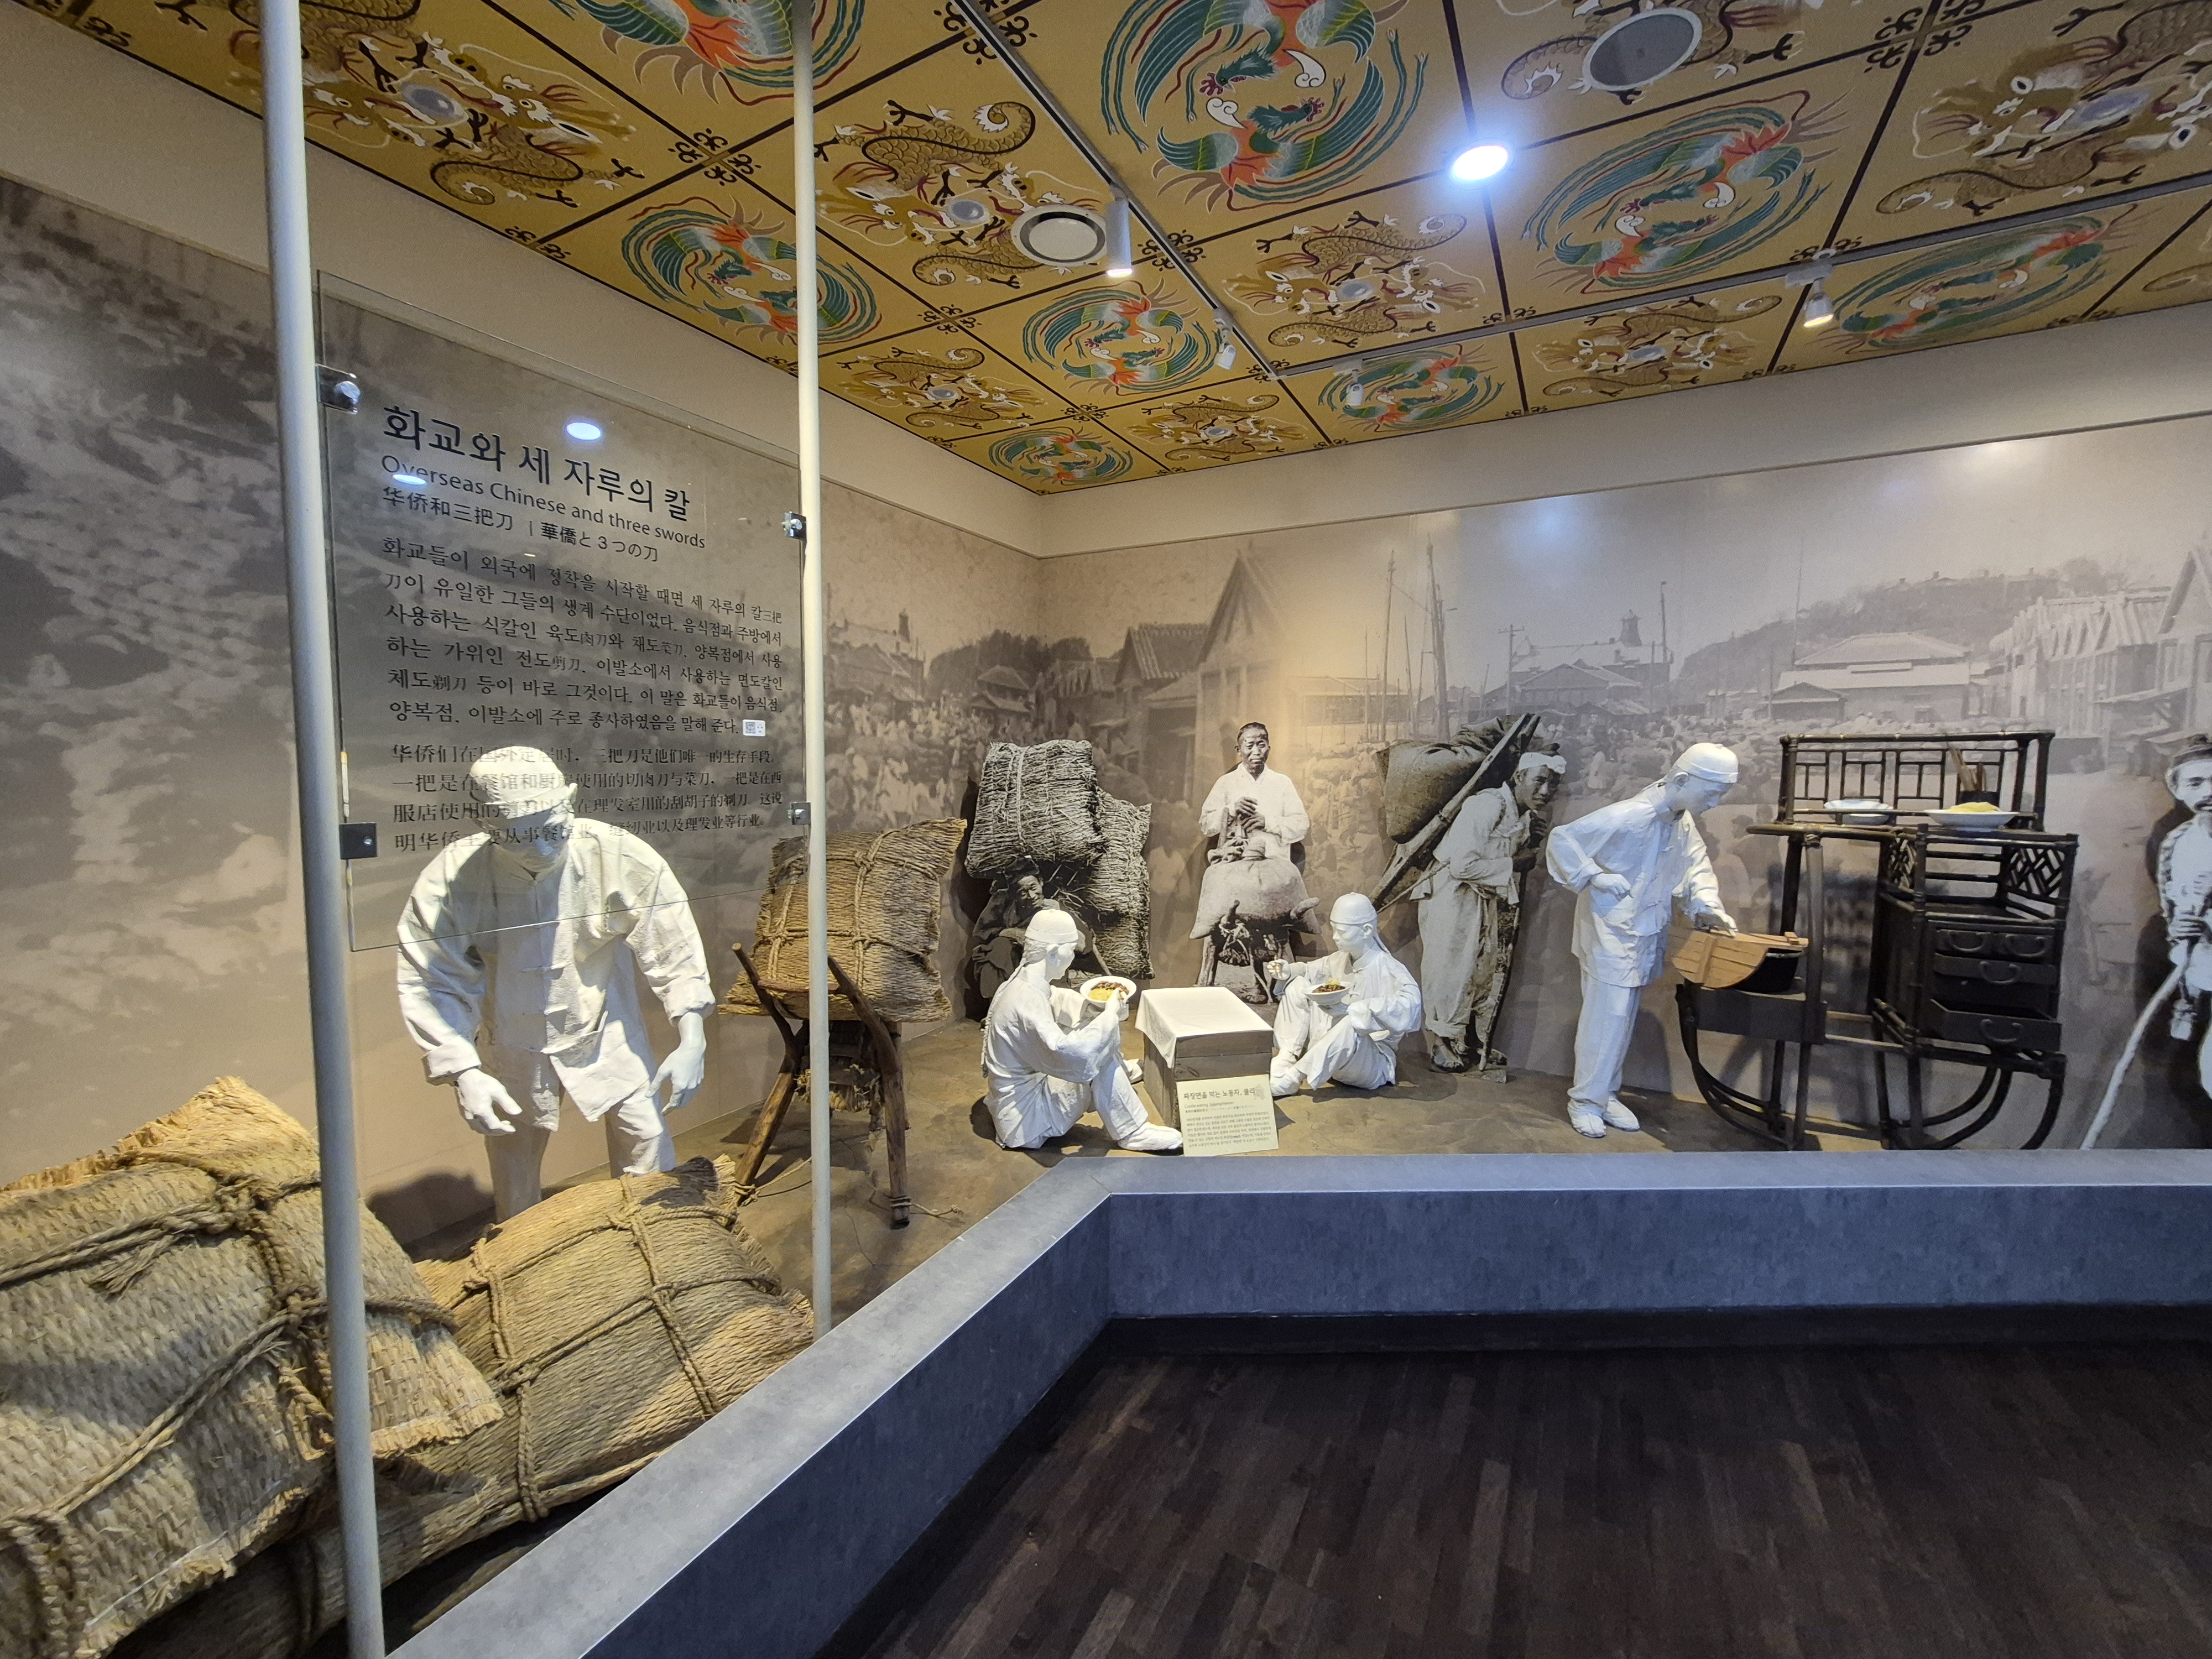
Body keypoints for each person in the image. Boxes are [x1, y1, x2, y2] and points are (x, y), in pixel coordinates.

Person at [397, 747, 713, 1219]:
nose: (541, 849)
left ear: (570, 803)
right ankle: (518, 1251)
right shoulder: (454, 876)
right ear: (486, 826)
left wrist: (693, 1037)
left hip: (607, 1029)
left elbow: (673, 947)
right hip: (513, 1039)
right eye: (517, 837)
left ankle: (659, 1237)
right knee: (514, 1164)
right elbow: (431, 977)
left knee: (645, 1140)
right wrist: (464, 1072)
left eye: (552, 830)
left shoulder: (616, 853)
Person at [1545, 742, 1740, 1139]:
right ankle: (1585, 1100)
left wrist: (1706, 906)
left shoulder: (1680, 821)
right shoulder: (1631, 815)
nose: (1715, 804)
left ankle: (1605, 1094)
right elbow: (1563, 840)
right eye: (1712, 793)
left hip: (1642, 930)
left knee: (1623, 1017)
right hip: (1611, 932)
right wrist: (1594, 876)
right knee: (1608, 1017)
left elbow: (1695, 867)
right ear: (1681, 780)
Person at [979, 909, 1182, 1152]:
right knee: (1098, 1049)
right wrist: (1108, 1016)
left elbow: (1053, 998)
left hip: (1022, 1102)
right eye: (1071, 951)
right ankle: (1132, 1131)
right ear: (1053, 952)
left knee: (1093, 1029)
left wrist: (1089, 1007)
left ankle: (1118, 1076)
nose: (1072, 958)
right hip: (1027, 1120)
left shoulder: (1021, 983)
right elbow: (1075, 1054)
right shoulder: (1026, 1002)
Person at [1415, 750, 1566, 1073]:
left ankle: (1468, 1041)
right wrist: (1514, 863)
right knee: (1450, 968)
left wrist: (1530, 843)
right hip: (1451, 894)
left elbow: (1499, 854)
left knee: (1481, 968)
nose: (1545, 791)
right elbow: (1463, 865)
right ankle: (1440, 1043)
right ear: (1519, 777)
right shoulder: (1485, 805)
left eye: (1553, 784)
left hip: (1481, 895)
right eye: (1539, 780)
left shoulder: (1523, 816)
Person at [1192, 722, 1319, 990]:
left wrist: (1267, 822)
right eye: (1249, 746)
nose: (1256, 751)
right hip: (1236, 870)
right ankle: (1220, 979)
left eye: (1261, 744)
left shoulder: (1281, 783)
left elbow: (1301, 825)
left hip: (1273, 871)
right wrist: (1230, 810)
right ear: (1239, 750)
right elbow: (1206, 825)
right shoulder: (1226, 783)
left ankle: (1278, 987)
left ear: (1269, 748)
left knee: (1275, 926)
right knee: (1222, 901)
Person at [1266, 893, 1422, 1098]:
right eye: (1334, 929)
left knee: (1354, 1021)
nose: (1334, 937)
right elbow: (1308, 970)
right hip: (1332, 1052)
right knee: (1298, 984)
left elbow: (1412, 1003)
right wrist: (1288, 970)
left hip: (1370, 1060)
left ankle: (1295, 1077)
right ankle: (1287, 1056)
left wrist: (1356, 1010)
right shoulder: (1340, 959)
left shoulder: (1390, 969)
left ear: (1366, 930)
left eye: (1341, 931)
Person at [2158, 736, 2212, 1057]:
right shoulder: (2179, 843)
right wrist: (2180, 929)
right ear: (2177, 790)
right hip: (2202, 963)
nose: (2209, 791)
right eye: (2195, 783)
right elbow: (2173, 906)